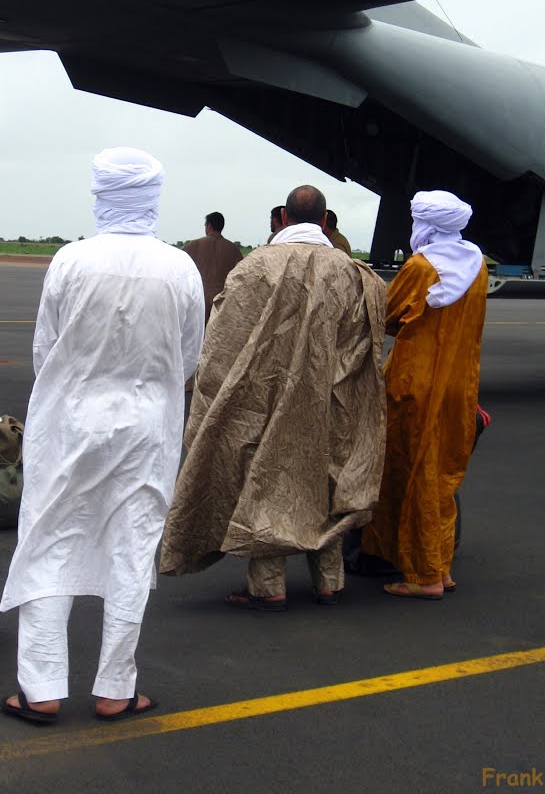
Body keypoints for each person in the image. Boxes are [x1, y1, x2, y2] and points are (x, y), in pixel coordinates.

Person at [0, 148, 204, 724]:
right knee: (132, 548)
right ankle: (116, 688)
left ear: (101, 197)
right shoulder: (180, 267)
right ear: (152, 199)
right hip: (147, 427)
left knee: (48, 540)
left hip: (69, 422)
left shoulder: (70, 261)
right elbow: (189, 357)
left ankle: (40, 689)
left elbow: (46, 350)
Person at [160, 185, 387, 610]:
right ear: (325, 221)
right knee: (325, 482)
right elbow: (364, 352)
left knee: (264, 481)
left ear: (283, 217)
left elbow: (223, 342)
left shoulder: (256, 268)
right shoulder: (354, 274)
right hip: (329, 405)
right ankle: (329, 581)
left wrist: (212, 402)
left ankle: (269, 587)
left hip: (264, 403)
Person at [360, 190, 488, 600]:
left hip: (415, 385)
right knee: (441, 476)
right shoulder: (478, 264)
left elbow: (390, 315)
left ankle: (425, 575)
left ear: (426, 225)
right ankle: (439, 566)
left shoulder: (420, 267)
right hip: (459, 385)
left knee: (410, 473)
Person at [184, 212, 243, 324]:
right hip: (223, 303)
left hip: (199, 301)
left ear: (209, 226)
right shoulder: (233, 249)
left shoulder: (192, 246)